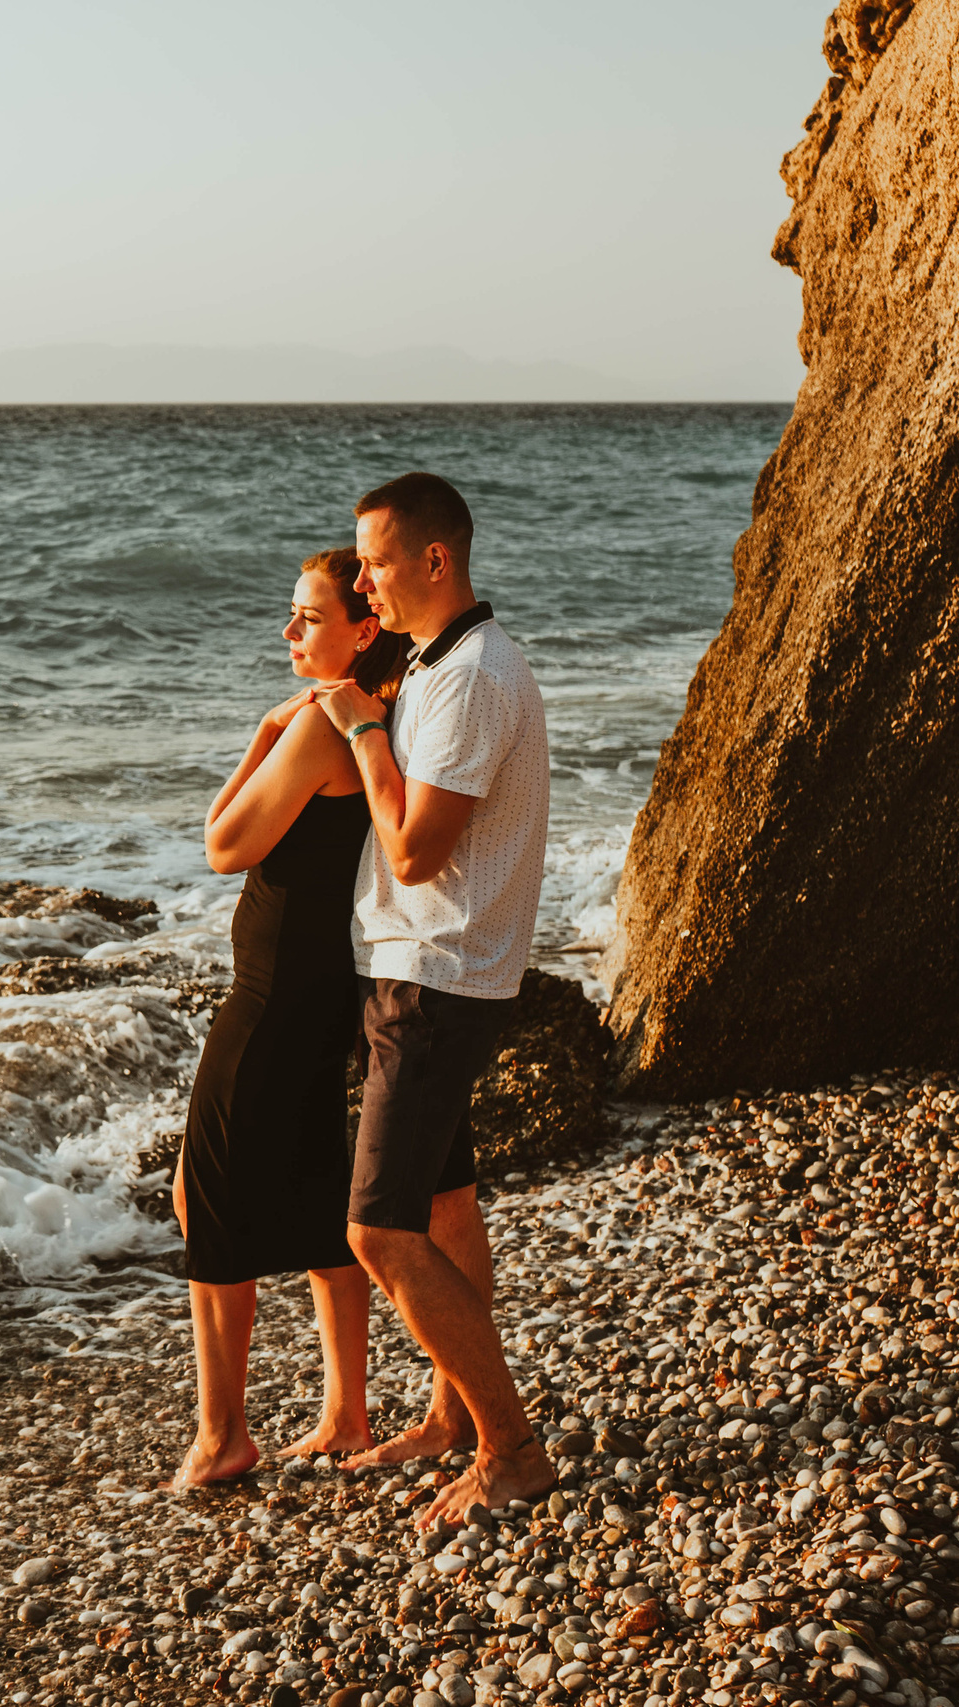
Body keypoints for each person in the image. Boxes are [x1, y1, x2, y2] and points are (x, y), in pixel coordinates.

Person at [310, 471, 557, 1528]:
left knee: (378, 1231)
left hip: (438, 980)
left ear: (434, 561)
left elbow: (414, 851)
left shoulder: (471, 681)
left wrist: (363, 732)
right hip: (425, 970)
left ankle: (513, 1447)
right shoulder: (439, 664)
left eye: (374, 559)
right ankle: (453, 1417)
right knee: (445, 1207)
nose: (363, 577)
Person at [170, 546, 412, 1490]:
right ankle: (344, 1409)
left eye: (307, 617)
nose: (289, 631)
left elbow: (224, 844)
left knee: (208, 1201)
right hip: (326, 990)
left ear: (363, 630)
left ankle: (222, 1433)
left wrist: (262, 737)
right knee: (316, 1200)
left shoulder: (317, 726)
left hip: (269, 1000)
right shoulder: (375, 720)